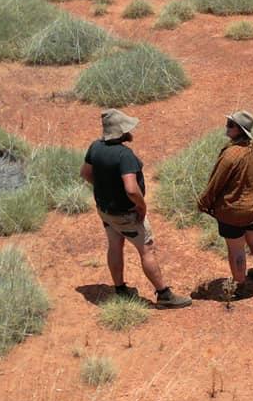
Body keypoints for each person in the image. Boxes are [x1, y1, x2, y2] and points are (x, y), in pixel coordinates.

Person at [79, 107, 192, 309]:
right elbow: (131, 189)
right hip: (126, 214)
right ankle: (164, 295)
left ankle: (120, 289)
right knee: (146, 249)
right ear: (121, 131)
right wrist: (141, 206)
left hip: (105, 210)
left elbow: (86, 173)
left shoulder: (95, 147)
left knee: (115, 246)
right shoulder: (125, 155)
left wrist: (105, 189)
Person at [196, 109, 253, 297]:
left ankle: (238, 286)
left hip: (233, 212)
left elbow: (215, 184)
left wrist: (202, 203)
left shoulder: (230, 155)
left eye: (230, 125)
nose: (226, 127)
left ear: (239, 130)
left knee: (236, 247)